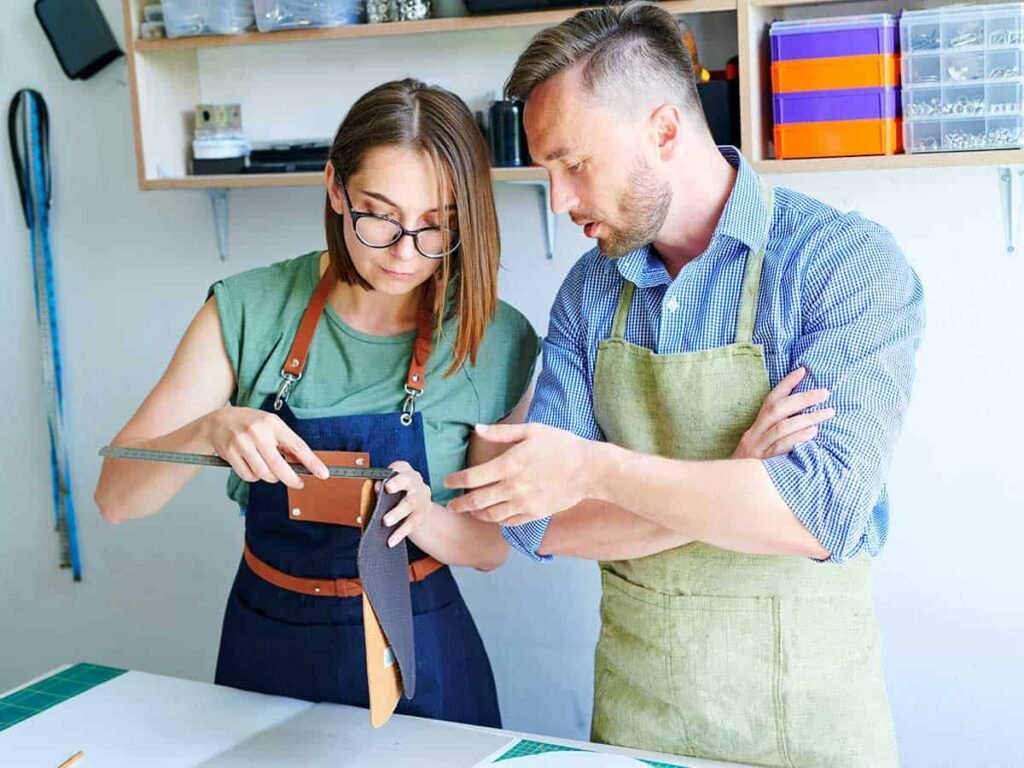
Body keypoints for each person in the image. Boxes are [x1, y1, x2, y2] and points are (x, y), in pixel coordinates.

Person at [446, 4, 925, 765]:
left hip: (807, 729)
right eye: (547, 171)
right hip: (636, 725)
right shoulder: (586, 294)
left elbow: (814, 518)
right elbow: (539, 522)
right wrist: (737, 476)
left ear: (664, 130)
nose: (559, 200)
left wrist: (595, 469)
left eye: (574, 164)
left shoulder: (842, 265)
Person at [94, 78, 540, 728]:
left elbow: (490, 546)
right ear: (335, 188)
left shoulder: (490, 333)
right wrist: (206, 431)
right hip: (269, 643)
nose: (405, 253)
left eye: (436, 227)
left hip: (421, 654)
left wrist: (425, 519)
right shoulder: (247, 310)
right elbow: (115, 499)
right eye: (380, 216)